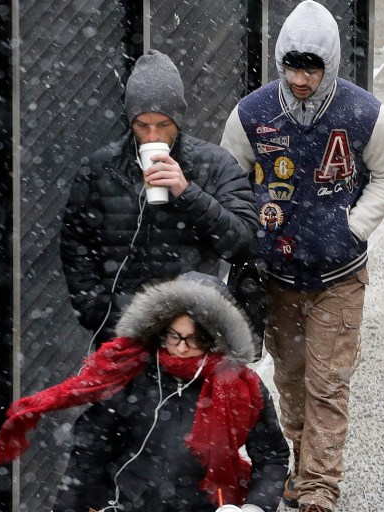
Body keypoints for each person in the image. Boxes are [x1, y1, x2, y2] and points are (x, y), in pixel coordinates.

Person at [219, 1, 384, 512]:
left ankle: (318, 497)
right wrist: (248, 231)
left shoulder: (362, 114)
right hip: (275, 274)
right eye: (292, 69)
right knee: (292, 380)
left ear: (330, 65)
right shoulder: (252, 114)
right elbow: (229, 177)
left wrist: (355, 226)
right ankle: (303, 466)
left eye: (312, 69)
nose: (301, 81)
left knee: (329, 382)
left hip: (339, 275)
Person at [0, 273, 288, 512]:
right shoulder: (133, 373)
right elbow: (92, 446)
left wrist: (255, 510)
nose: (182, 347)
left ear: (215, 338)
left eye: (194, 339)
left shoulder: (241, 387)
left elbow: (272, 454)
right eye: (175, 336)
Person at [61, 50, 259, 346]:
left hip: (187, 335)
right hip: (121, 334)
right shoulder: (100, 169)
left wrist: (188, 193)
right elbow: (75, 242)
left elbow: (244, 244)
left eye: (163, 125)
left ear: (178, 120)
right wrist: (96, 310)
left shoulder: (214, 165)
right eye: (143, 125)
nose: (153, 136)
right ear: (130, 121)